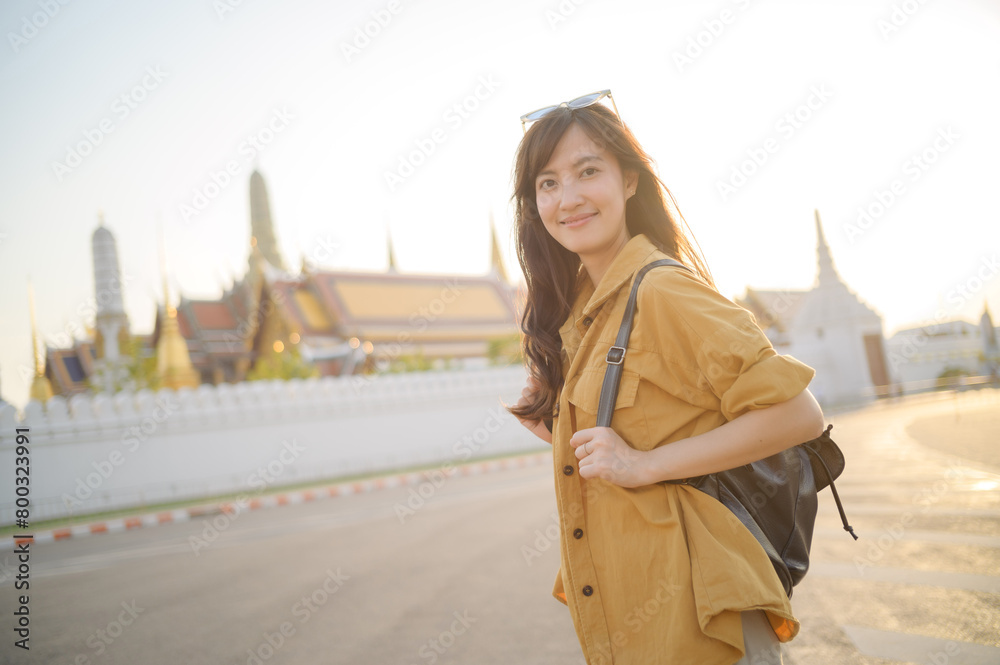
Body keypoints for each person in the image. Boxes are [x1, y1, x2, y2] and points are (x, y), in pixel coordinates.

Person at [506, 91, 825, 665]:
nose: (567, 197)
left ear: (629, 181)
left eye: (587, 171)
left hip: (704, 621)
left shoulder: (661, 290)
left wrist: (643, 464)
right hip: (639, 616)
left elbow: (799, 414)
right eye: (547, 183)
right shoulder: (587, 314)